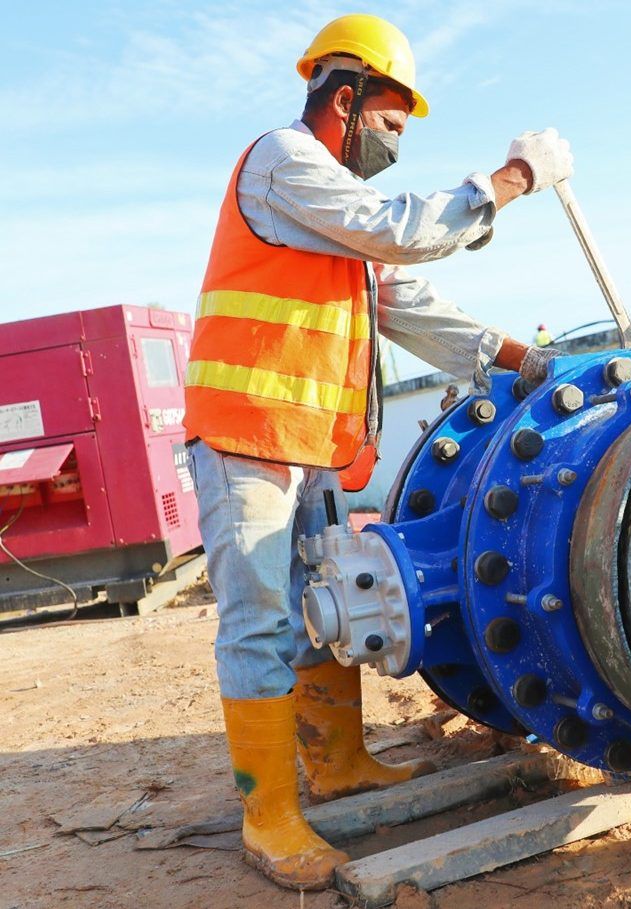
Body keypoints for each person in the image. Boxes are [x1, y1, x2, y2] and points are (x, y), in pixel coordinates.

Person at [182, 13, 571, 891]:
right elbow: (402, 228)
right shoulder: (282, 162)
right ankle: (268, 817)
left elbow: (409, 302)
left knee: (318, 603)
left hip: (305, 441)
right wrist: (511, 180)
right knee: (259, 621)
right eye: (392, 122)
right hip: (246, 436)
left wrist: (521, 359)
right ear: (346, 97)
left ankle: (339, 764)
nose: (395, 142)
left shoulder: (337, 221)